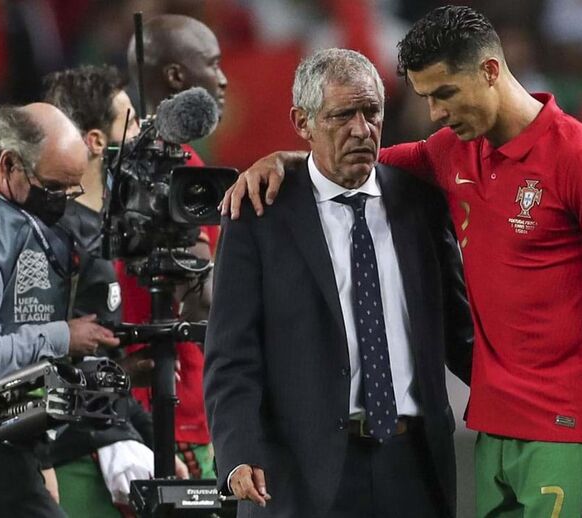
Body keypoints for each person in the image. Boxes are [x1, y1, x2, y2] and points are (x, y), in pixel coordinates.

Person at [221, 5, 582, 516]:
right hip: (495, 432)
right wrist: (286, 160)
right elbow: (352, 166)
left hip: (571, 428)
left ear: (490, 70)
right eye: (426, 97)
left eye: (446, 93)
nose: (436, 112)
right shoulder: (452, 153)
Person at [203, 48, 473, 518]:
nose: (361, 129)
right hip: (300, 473)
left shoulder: (422, 205)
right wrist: (238, 452)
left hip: (413, 467)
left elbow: (459, 335)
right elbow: (232, 354)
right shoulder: (259, 213)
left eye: (372, 112)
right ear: (302, 122)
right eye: (342, 115)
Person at [0, 103, 120, 517]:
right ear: (9, 165)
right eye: (55, 187)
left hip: (9, 441)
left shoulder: (20, 220)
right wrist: (64, 337)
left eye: (72, 189)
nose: (64, 201)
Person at [42, 64, 188, 516]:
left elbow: (99, 363)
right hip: (72, 460)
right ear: (95, 141)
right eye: (132, 121)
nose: (143, 133)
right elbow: (37, 360)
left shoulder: (99, 232)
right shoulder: (56, 237)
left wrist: (151, 440)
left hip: (101, 443)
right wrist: (118, 437)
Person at [121, 13, 228, 479]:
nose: (223, 79)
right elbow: (203, 301)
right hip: (177, 412)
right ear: (176, 76)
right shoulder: (184, 172)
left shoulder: (114, 165)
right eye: (213, 64)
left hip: (115, 410)